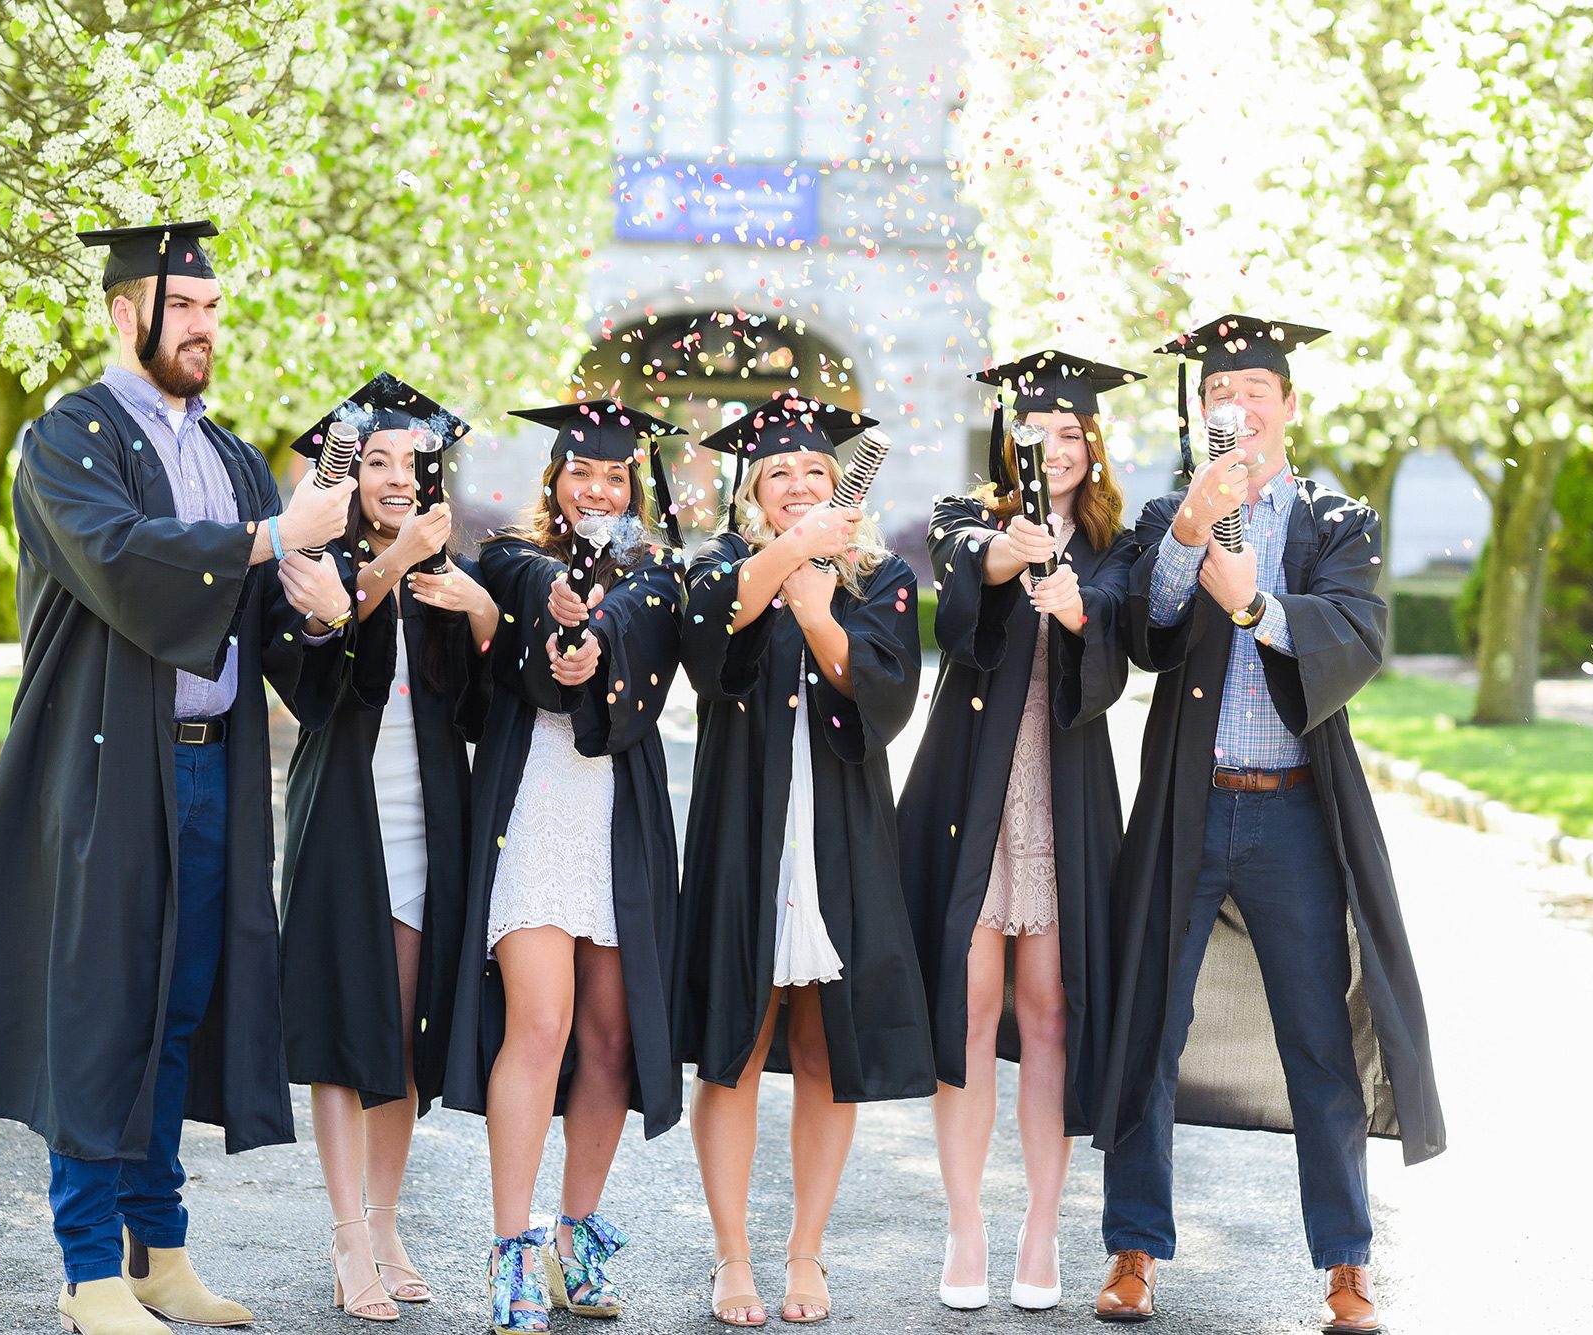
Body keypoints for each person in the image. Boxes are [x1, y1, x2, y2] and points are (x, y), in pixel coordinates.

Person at [0, 220, 358, 1335]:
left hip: (214, 776)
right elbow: (123, 564)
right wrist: (270, 540)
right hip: (105, 773)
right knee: (99, 1012)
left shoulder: (225, 458)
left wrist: (323, 615)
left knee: (176, 1012)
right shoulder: (65, 439)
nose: (208, 329)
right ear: (125, 313)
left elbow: (262, 623)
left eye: (216, 311)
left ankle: (159, 1254)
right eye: (188, 311)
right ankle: (87, 1276)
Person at [1090, 315, 1445, 1333]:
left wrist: (1255, 607)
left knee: (1320, 1043)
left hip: (1293, 814)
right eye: (1218, 390)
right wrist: (1194, 535)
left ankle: (1343, 1265)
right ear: (1198, 410)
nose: (1235, 404)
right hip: (1188, 809)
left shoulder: (1335, 518)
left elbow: (1354, 632)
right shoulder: (1168, 509)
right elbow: (1149, 632)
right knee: (1148, 1024)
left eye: (1254, 387)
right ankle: (1130, 1250)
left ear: (1287, 405)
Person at [675, 391, 932, 1328]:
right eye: (776, 473)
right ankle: (733, 1256)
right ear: (753, 493)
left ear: (840, 484)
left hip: (841, 835)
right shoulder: (717, 568)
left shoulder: (882, 579)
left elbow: (887, 698)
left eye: (812, 471)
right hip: (746, 830)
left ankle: (805, 1252)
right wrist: (789, 561)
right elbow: (712, 653)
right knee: (735, 1046)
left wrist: (821, 609)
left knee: (827, 1043)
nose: (795, 482)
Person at [896, 352, 1142, 1312]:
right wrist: (1012, 550)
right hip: (974, 795)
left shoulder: (1116, 542)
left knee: (1050, 1015)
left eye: (1074, 434)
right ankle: (967, 1227)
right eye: (1039, 435)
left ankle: (1041, 1228)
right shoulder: (972, 515)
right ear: (1013, 443)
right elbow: (962, 588)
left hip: (1063, 796)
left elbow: (1123, 631)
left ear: (1095, 444)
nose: (1059, 449)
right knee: (971, 1007)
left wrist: (1080, 605)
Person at [442, 398, 688, 1335]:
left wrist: (596, 637)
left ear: (634, 486)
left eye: (617, 475)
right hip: (536, 813)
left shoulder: (657, 581)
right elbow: (528, 590)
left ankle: (573, 1247)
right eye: (584, 472)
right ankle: (512, 1250)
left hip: (618, 820)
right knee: (540, 1023)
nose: (599, 487)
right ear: (555, 478)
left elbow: (634, 631)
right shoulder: (512, 556)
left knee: (612, 1038)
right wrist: (555, 610)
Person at [274, 373, 497, 1322]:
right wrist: (381, 572)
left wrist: (482, 613)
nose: (397, 476)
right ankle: (347, 1234)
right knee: (342, 1032)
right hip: (344, 816)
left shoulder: (449, 569)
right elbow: (310, 687)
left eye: (411, 460)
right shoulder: (307, 559)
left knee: (400, 1035)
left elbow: (482, 714)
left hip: (427, 819)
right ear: (348, 472)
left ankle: (390, 1218)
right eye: (376, 461)